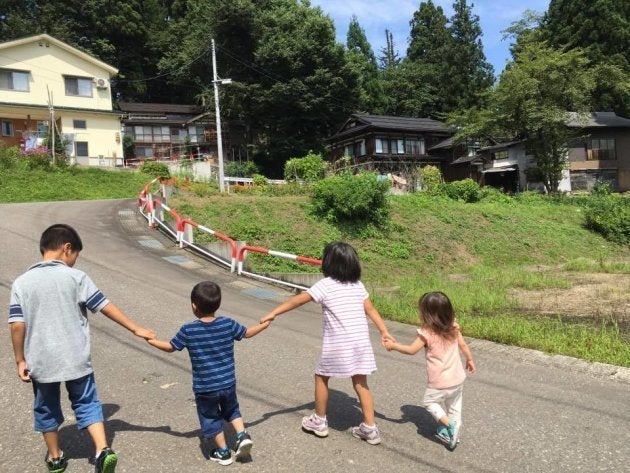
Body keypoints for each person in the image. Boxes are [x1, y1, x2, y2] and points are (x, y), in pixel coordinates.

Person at [8, 223, 155, 473]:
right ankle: (102, 450)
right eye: (76, 255)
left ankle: (55, 457)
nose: (75, 261)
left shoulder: (22, 283)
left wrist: (20, 359)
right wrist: (135, 328)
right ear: (67, 249)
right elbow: (104, 305)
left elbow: (17, 326)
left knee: (46, 407)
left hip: (41, 362)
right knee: (87, 402)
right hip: (76, 359)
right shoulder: (76, 277)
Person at [260, 241, 393, 445]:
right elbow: (371, 310)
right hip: (360, 343)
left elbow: (298, 300)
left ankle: (319, 421)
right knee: (361, 382)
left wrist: (273, 313)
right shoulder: (358, 286)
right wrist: (384, 331)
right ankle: (370, 428)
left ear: (328, 263)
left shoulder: (326, 285)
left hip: (339, 344)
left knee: (321, 376)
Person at [147, 281, 269, 466]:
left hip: (205, 387)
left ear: (194, 306)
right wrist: (264, 324)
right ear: (218, 304)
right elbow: (247, 333)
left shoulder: (189, 330)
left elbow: (171, 347)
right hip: (228, 382)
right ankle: (242, 435)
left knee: (210, 417)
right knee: (232, 410)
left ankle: (223, 452)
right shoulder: (227, 323)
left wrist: (152, 340)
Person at [384, 291, 476, 450]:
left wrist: (393, 346)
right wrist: (469, 359)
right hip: (457, 378)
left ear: (427, 314)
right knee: (454, 405)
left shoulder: (426, 333)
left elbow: (411, 350)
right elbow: (463, 345)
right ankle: (453, 431)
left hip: (439, 382)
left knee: (429, 402)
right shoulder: (453, 327)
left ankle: (450, 425)